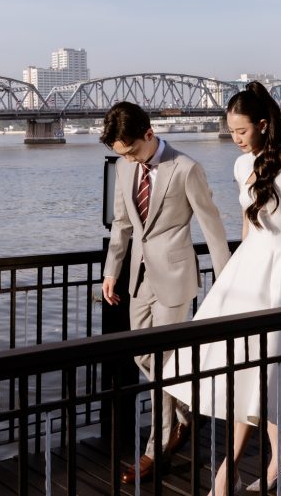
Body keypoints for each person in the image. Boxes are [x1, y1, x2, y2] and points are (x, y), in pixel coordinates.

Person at [164, 82, 281, 496]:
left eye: (241, 131)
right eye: (231, 131)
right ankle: (276, 458)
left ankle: (229, 473)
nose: (235, 138)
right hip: (250, 268)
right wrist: (232, 276)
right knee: (247, 366)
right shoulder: (241, 166)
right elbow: (247, 225)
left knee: (265, 366)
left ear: (263, 124)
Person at [100, 101, 232, 484]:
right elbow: (122, 225)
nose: (128, 159)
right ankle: (186, 413)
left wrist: (225, 283)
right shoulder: (125, 168)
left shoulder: (186, 168)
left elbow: (212, 228)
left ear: (149, 133)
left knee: (160, 364)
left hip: (175, 278)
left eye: (131, 150)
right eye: (121, 154)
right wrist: (111, 272)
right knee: (142, 354)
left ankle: (154, 451)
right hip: (138, 279)